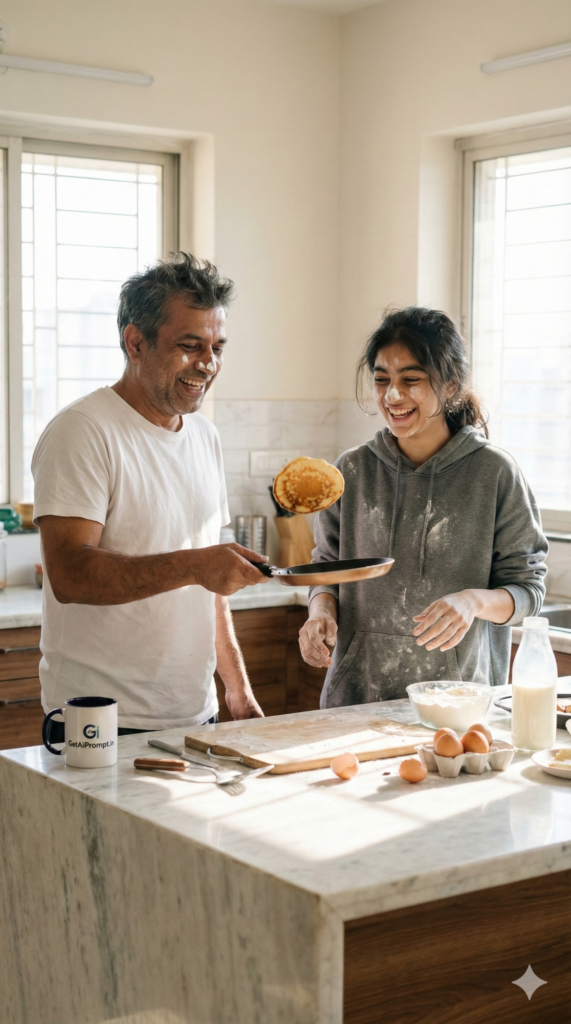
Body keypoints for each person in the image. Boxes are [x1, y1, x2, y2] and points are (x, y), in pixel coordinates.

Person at [33, 253, 269, 738]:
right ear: (135, 342)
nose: (208, 363)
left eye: (217, 347)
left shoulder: (205, 437)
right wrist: (193, 564)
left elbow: (212, 582)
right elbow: (70, 575)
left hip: (195, 715)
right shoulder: (83, 431)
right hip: (98, 719)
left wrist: (237, 688)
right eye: (189, 345)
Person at [299, 307, 547, 706]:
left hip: (456, 706)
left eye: (410, 380)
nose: (392, 396)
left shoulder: (494, 473)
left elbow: (528, 591)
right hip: (354, 700)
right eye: (382, 380)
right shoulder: (351, 470)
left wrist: (473, 601)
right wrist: (320, 613)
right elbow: (325, 571)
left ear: (450, 386)